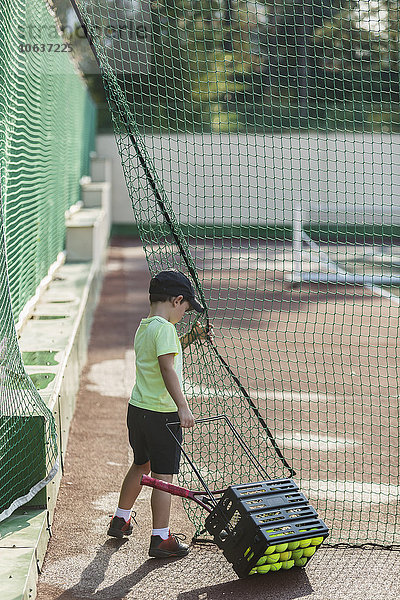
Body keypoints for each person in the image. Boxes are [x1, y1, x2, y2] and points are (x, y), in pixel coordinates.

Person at [107, 269, 210, 558]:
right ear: (178, 300)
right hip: (162, 416)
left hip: (138, 410)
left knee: (141, 465)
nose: (184, 315)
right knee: (164, 477)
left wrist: (191, 336)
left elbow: (165, 355)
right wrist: (183, 406)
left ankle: (121, 518)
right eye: (185, 309)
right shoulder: (165, 329)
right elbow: (167, 369)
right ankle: (161, 538)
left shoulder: (147, 326)